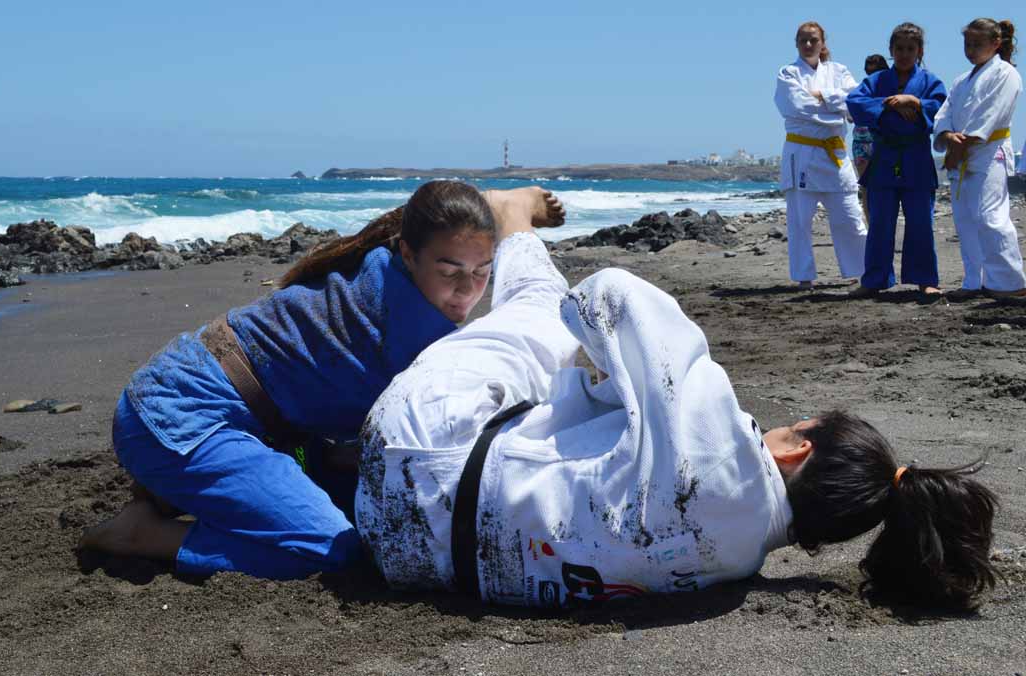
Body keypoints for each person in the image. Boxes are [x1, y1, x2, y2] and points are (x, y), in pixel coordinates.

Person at [357, 219, 999, 611]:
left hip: (418, 438)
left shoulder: (721, 442)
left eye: (791, 426)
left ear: (798, 447)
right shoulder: (735, 562)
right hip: (409, 554)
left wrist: (606, 359)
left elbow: (609, 295)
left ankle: (514, 219)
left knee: (538, 310)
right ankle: (331, 456)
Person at [78, 181, 565, 579]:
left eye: (482, 271)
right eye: (449, 269)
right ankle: (141, 534)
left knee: (358, 494)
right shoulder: (413, 327)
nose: (466, 290)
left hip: (248, 417)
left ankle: (184, 489)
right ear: (409, 252)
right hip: (176, 415)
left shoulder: (380, 260)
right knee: (328, 545)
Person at [846, 23, 948, 298]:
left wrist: (915, 101)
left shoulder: (930, 82)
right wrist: (891, 104)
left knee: (921, 222)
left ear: (920, 51)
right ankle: (875, 279)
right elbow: (854, 103)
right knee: (879, 221)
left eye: (910, 49)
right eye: (899, 49)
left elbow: (939, 109)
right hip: (884, 156)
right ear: (891, 51)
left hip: (916, 156)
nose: (904, 54)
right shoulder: (876, 81)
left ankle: (926, 279)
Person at [933, 18, 1026, 300]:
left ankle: (1012, 283)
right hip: (960, 152)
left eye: (977, 44)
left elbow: (990, 114)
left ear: (996, 44)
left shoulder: (1006, 73)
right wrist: (948, 137)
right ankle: (976, 280)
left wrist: (961, 146)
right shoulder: (962, 80)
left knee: (990, 216)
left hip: (989, 152)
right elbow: (944, 114)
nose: (970, 50)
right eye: (967, 44)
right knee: (965, 220)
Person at [774, 21, 869, 288]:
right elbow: (796, 106)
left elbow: (857, 100)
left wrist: (823, 96)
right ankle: (804, 276)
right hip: (802, 154)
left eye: (813, 40)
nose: (807, 45)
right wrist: (837, 108)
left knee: (850, 216)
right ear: (796, 43)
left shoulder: (839, 71)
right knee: (800, 222)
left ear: (823, 43)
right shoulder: (788, 73)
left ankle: (861, 270)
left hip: (835, 153)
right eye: (802, 40)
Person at [852, 54, 890, 222]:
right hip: (861, 143)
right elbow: (850, 115)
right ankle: (872, 230)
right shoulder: (863, 89)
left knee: (886, 188)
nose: (871, 75)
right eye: (869, 72)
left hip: (883, 142)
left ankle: (882, 228)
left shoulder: (892, 89)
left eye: (875, 71)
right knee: (866, 189)